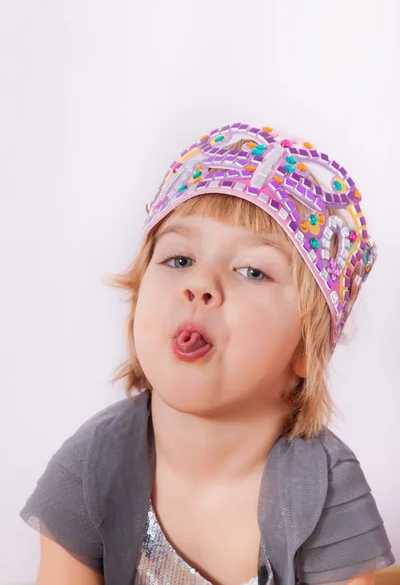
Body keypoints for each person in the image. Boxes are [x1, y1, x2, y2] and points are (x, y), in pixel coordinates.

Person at [21, 123, 395, 585]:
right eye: (179, 260)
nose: (198, 284)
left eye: (252, 271)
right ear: (137, 301)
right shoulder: (94, 465)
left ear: (304, 347)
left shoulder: (318, 484)